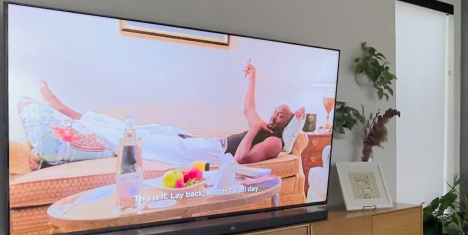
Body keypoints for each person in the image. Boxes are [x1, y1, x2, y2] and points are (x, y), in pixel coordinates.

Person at [24, 63, 302, 167]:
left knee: (139, 141)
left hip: (213, 157)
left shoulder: (274, 142)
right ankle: (74, 113)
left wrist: (255, 130)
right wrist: (252, 77)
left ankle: (70, 114)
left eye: (281, 116)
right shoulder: (261, 125)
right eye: (275, 111)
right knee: (152, 129)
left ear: (286, 123)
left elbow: (241, 158)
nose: (274, 116)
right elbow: (249, 109)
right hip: (204, 144)